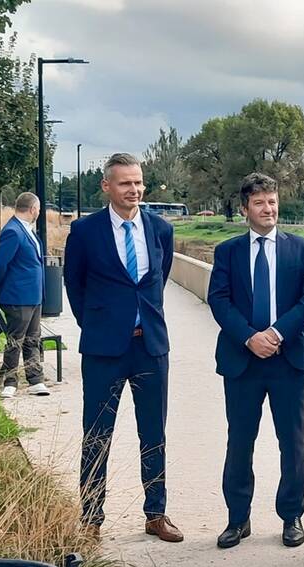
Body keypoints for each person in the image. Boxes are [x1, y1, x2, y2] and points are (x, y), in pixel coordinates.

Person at [63, 152, 182, 543]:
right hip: (103, 350)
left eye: (138, 182)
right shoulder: (85, 232)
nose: (134, 190)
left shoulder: (160, 230)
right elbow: (75, 286)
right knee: (97, 433)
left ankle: (156, 513)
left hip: (149, 346)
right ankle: (91, 517)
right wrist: (99, 324)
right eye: (125, 183)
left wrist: (139, 319)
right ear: (107, 187)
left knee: (154, 433)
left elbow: (156, 281)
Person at [207, 172, 304, 549]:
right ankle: (238, 519)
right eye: (259, 203)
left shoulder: (300, 248)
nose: (268, 208)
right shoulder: (228, 252)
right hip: (242, 361)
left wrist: (275, 335)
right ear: (245, 209)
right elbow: (219, 300)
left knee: (292, 441)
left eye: (272, 202)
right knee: (239, 440)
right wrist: (249, 337)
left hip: (287, 359)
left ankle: (292, 515)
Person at [0, 191, 50, 399]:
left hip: (33, 296)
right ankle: (10, 382)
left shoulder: (27, 230)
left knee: (33, 338)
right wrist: (4, 286)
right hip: (18, 296)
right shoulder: (13, 231)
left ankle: (35, 380)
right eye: (39, 209)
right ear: (33, 209)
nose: (39, 213)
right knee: (16, 340)